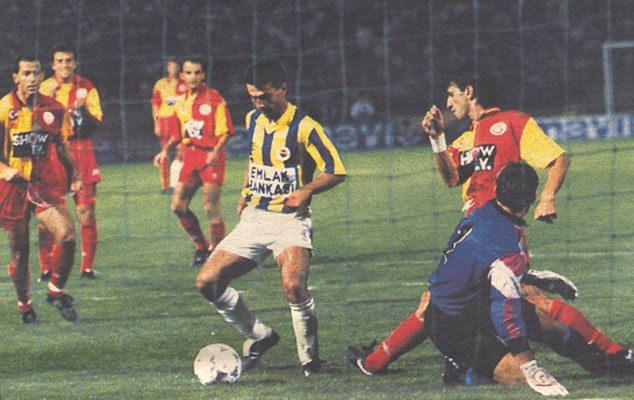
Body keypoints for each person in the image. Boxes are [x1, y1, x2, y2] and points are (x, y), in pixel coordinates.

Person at [348, 70, 633, 376]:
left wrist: (547, 197)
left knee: (512, 299)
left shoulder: (513, 122)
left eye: (452, 94)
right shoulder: (465, 139)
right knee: (449, 302)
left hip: (500, 231)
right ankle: (398, 363)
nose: (448, 103)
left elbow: (558, 159)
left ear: (469, 91)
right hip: (471, 232)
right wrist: (437, 140)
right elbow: (451, 179)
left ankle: (612, 355)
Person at [195, 60, 346, 376]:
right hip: (255, 218)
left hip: (290, 221)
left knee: (294, 287)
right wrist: (245, 191)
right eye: (253, 97)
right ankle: (259, 335)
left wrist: (306, 190)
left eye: (265, 97)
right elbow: (255, 159)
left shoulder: (305, 127)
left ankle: (311, 362)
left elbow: (336, 170)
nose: (259, 104)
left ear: (282, 89)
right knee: (207, 282)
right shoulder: (253, 119)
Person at [0, 55, 80, 323]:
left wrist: (74, 175)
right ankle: (25, 305)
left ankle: (55, 291)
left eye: (36, 73)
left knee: (67, 236)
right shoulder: (4, 108)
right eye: (26, 73)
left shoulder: (55, 109)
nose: (32, 79)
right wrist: (5, 170)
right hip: (12, 189)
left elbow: (63, 146)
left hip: (42, 184)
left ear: (42, 76)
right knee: (19, 252)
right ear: (16, 78)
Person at [153, 57, 233, 267]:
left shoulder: (214, 98)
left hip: (210, 157)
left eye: (197, 72)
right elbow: (178, 134)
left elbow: (226, 131)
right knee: (178, 205)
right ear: (182, 75)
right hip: (190, 157)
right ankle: (201, 247)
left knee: (210, 207)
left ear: (203, 75)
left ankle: (216, 255)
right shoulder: (179, 101)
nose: (193, 77)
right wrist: (165, 151)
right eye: (188, 73)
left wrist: (216, 151)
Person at [38, 44, 103, 280]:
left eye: (69, 60)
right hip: (52, 153)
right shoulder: (44, 87)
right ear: (53, 65)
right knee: (49, 214)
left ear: (74, 64)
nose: (65, 65)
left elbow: (94, 125)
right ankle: (46, 268)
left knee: (85, 211)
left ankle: (87, 268)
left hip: (81, 149)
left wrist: (82, 109)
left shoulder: (87, 87)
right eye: (60, 61)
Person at [151, 57, 186, 194]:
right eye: (171, 66)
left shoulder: (185, 82)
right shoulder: (160, 84)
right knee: (166, 153)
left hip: (180, 119)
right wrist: (156, 123)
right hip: (165, 120)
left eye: (176, 66)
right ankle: (165, 186)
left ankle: (180, 183)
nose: (173, 69)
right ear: (167, 68)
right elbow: (155, 104)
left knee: (180, 150)